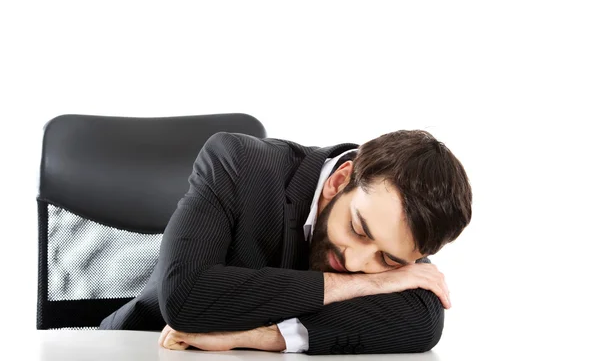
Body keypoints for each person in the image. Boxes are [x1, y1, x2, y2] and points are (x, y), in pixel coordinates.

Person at [98, 129, 472, 355]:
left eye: (389, 261)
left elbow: (421, 321)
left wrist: (259, 337)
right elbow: (185, 297)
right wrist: (369, 283)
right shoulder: (236, 161)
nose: (358, 261)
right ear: (340, 181)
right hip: (138, 348)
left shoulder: (394, 224)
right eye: (358, 230)